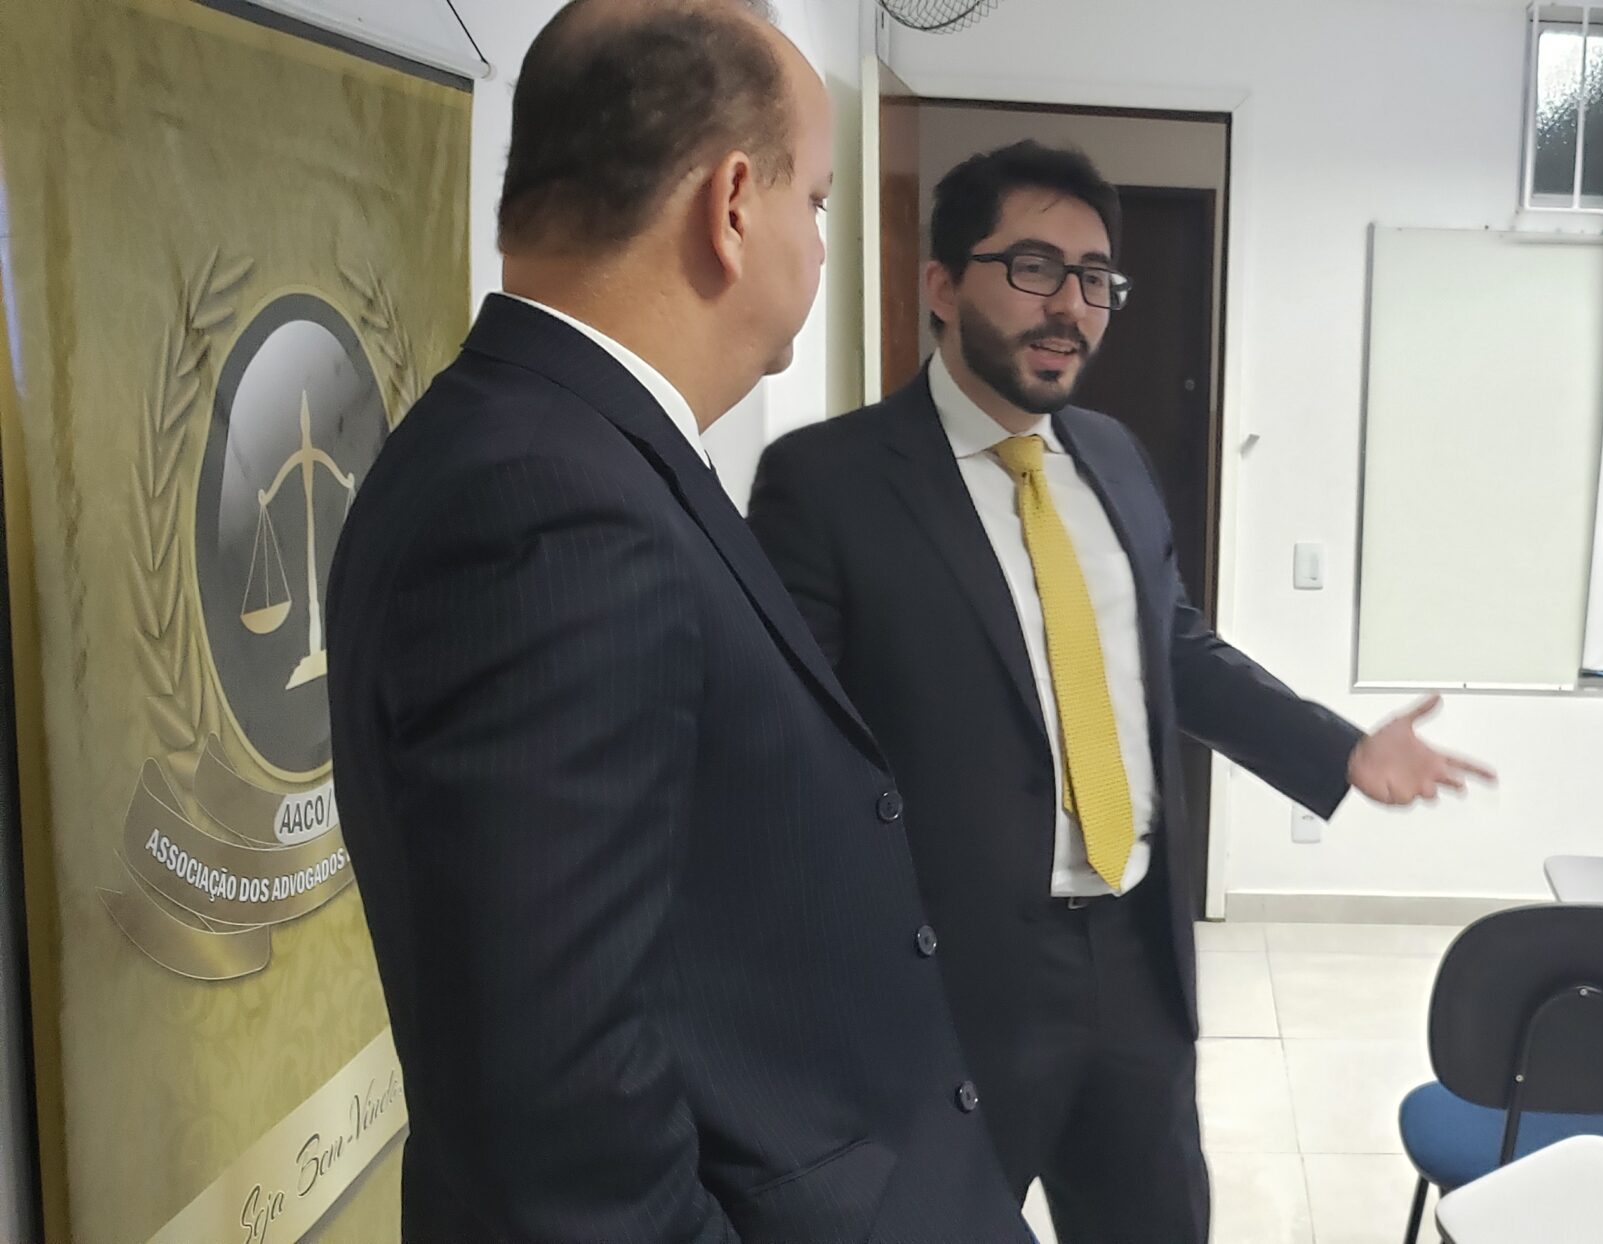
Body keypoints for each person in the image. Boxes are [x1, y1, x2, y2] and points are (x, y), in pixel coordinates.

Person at [325, 3, 1028, 1239]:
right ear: (734, 203)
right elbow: (555, 1128)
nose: (820, 246)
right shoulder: (549, 506)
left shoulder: (556, 445)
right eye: (818, 202)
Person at [747, 140, 1493, 1244]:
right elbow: (789, 750)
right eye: (1035, 267)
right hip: (948, 982)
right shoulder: (828, 482)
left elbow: (1173, 649)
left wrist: (1337, 750)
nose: (1071, 306)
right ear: (942, 285)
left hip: (1135, 958)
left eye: (1096, 277)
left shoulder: (1113, 456)